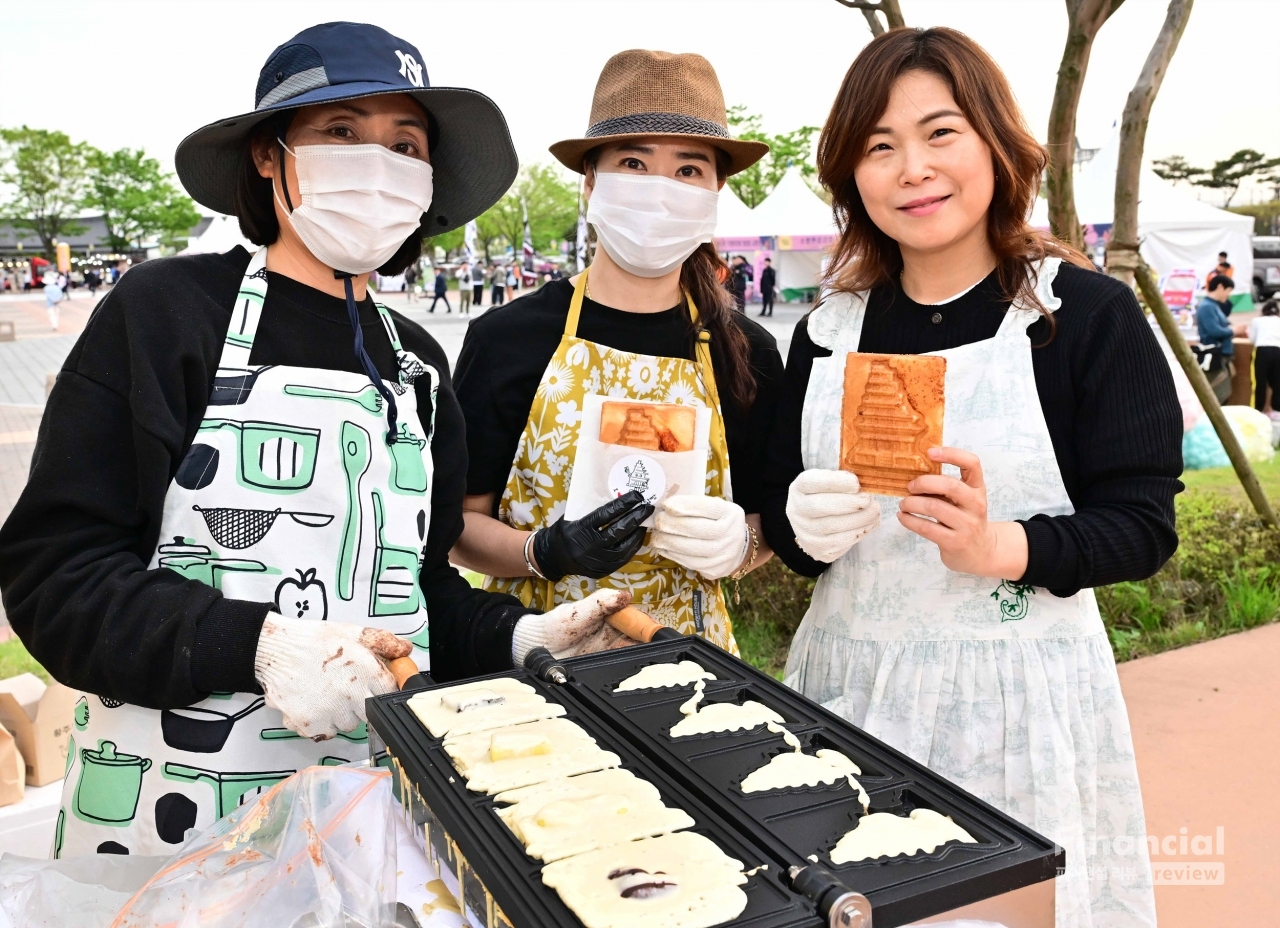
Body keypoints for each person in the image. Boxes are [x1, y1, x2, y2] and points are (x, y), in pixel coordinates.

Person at [0, 22, 637, 860]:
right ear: (269, 155)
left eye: (405, 143)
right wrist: (251, 643)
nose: (376, 162)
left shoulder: (417, 363)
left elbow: (414, 588)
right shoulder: (167, 314)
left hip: (376, 816)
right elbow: (56, 578)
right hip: (173, 831)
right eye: (341, 132)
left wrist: (513, 637)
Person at [761, 29, 1180, 926]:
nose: (912, 168)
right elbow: (792, 540)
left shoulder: (1082, 315)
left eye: (940, 132)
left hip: (1021, 705)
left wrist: (1004, 544)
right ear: (852, 176)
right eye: (879, 146)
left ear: (995, 142)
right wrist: (798, 527)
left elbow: (1144, 525)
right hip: (847, 697)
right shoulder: (825, 334)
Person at [451, 49, 784, 652]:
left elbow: (768, 524)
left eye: (688, 170)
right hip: (536, 654)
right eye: (634, 163)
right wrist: (542, 551)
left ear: (715, 190)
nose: (661, 191)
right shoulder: (508, 337)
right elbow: (461, 529)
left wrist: (739, 549)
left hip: (688, 659)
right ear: (591, 182)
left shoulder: (747, 350)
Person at [1196, 274, 1243, 402]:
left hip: (1221, 355)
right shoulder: (1207, 307)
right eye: (1228, 291)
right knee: (1218, 394)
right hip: (1215, 356)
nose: (1229, 295)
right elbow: (1215, 331)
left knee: (1223, 392)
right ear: (1220, 287)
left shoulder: (1214, 306)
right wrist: (1234, 330)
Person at [1249, 299, 1280, 411]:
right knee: (1277, 382)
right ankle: (1277, 410)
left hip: (1262, 351)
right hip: (1278, 351)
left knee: (1259, 382)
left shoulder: (1256, 321)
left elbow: (1252, 339)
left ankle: (1258, 409)